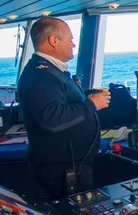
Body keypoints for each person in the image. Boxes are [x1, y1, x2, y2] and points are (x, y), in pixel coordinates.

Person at [17, 17, 110, 199]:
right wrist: (91, 104)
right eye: (70, 39)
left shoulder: (49, 72)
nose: (74, 45)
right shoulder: (41, 75)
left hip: (70, 166)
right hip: (61, 172)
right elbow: (52, 118)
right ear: (53, 40)